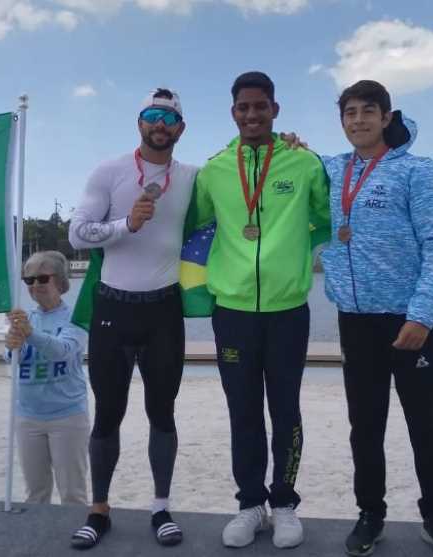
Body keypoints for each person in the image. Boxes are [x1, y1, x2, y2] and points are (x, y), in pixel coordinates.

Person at [319, 80, 433, 557]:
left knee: (425, 425)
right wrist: (290, 142)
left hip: (409, 320)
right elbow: (287, 165)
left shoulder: (417, 171)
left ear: (386, 117)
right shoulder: (330, 169)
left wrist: (422, 315)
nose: (357, 120)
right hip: (355, 322)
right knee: (365, 426)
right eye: (349, 113)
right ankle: (370, 514)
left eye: (367, 111)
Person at [190, 71, 330, 549]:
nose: (252, 114)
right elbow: (190, 223)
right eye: (243, 107)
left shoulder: (304, 161)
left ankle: (285, 503)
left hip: (288, 308)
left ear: (275, 109)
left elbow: (331, 218)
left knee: (285, 410)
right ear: (233, 113)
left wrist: (298, 253)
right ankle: (251, 503)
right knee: (243, 411)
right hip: (231, 311)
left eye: (260, 106)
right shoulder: (214, 170)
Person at [66, 88, 195, 549]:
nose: (161, 124)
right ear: (140, 122)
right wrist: (126, 225)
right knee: (108, 415)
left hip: (163, 311)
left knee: (162, 414)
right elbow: (77, 234)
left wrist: (289, 145)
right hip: (112, 310)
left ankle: (160, 507)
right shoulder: (110, 171)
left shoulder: (193, 177)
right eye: (153, 115)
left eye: (170, 117)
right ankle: (99, 510)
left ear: (181, 128)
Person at [4, 250, 89, 506]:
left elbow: (62, 351)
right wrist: (11, 344)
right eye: (29, 280)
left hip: (67, 416)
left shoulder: (77, 317)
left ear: (60, 281)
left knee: (72, 493)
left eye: (42, 279)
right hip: (27, 416)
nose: (35, 286)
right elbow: (12, 359)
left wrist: (30, 335)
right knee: (36, 494)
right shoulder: (24, 318)